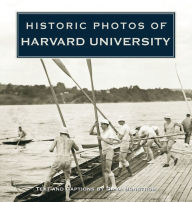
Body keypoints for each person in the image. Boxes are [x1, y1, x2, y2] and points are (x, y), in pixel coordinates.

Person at [32, 127, 79, 201]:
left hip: (59, 159)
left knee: (49, 176)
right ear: (67, 134)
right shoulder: (71, 140)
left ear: (60, 133)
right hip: (67, 160)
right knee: (67, 179)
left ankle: (43, 193)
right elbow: (77, 149)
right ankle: (67, 197)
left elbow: (50, 149)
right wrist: (70, 144)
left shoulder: (57, 138)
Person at [90, 119, 117, 189]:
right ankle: (105, 185)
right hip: (104, 151)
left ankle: (114, 185)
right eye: (100, 124)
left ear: (106, 125)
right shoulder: (102, 132)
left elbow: (111, 142)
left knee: (108, 169)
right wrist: (93, 126)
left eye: (102, 124)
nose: (100, 126)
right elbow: (91, 133)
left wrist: (101, 139)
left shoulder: (110, 132)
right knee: (105, 169)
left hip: (109, 151)